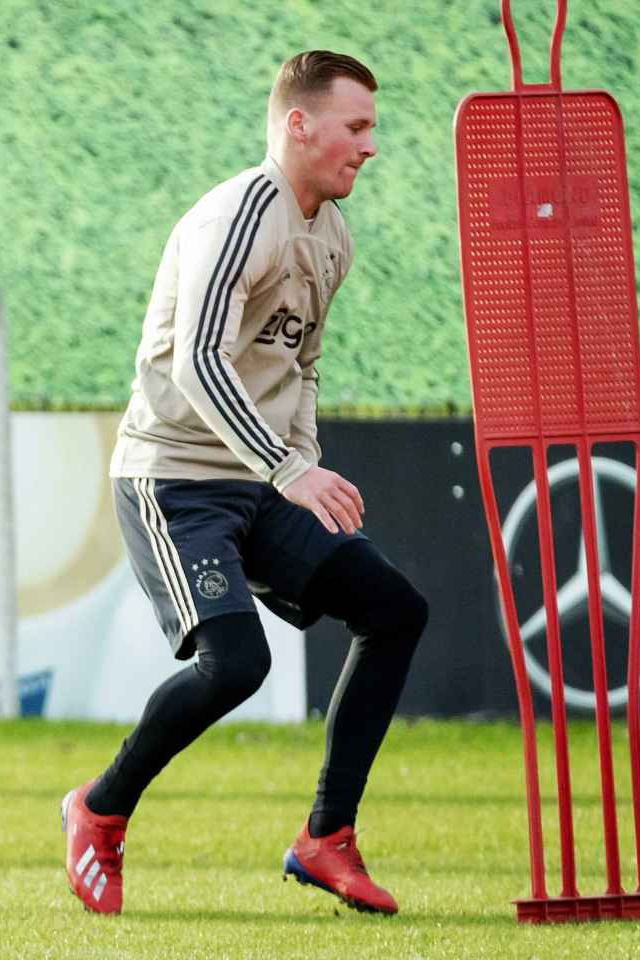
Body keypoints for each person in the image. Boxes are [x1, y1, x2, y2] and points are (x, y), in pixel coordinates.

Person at [60, 51, 427, 916]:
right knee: (237, 665)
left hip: (260, 481)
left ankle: (325, 839)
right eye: (358, 126)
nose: (370, 146)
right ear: (298, 124)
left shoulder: (331, 236)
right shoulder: (238, 215)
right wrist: (291, 469)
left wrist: (300, 471)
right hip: (172, 479)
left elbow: (300, 368)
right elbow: (196, 359)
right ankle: (99, 808)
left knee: (394, 609)